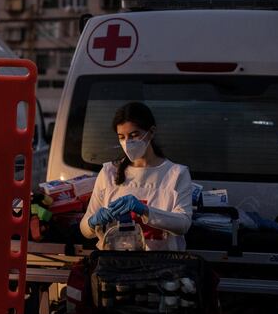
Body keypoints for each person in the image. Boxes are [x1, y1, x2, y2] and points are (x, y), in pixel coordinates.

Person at [80, 102, 193, 251]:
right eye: (122, 137)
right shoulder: (109, 172)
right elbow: (85, 230)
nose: (127, 142)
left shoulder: (176, 174)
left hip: (161, 264)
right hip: (116, 264)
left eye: (134, 135)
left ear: (151, 132)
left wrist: (145, 211)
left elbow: (183, 224)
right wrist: (93, 222)